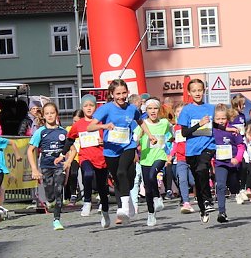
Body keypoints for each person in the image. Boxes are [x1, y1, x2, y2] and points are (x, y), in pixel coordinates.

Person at [88, 79, 150, 226]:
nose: (121, 96)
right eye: (118, 94)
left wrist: (150, 135)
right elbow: (90, 127)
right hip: (110, 150)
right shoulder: (106, 109)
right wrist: (105, 125)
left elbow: (140, 121)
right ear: (112, 94)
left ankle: (125, 208)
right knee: (118, 179)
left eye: (124, 93)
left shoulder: (132, 108)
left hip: (128, 146)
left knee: (122, 172)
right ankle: (128, 206)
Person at [63, 94, 110, 227]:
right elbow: (70, 139)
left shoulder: (101, 122)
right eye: (86, 106)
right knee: (87, 174)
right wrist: (62, 154)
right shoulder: (78, 124)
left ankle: (105, 213)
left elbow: (111, 136)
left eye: (91, 105)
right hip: (85, 156)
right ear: (82, 108)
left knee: (102, 188)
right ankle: (87, 202)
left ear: (96, 106)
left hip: (101, 158)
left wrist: (104, 141)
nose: (89, 108)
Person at [177, 79, 216, 223]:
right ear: (189, 93)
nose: (197, 93)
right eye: (194, 91)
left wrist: (228, 129)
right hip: (192, 151)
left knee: (202, 169)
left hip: (208, 146)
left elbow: (217, 125)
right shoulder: (187, 110)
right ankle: (202, 207)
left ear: (204, 90)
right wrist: (199, 124)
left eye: (200, 90)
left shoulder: (211, 108)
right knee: (198, 182)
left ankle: (208, 201)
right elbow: (184, 133)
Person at [27, 103, 68, 231]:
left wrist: (68, 162)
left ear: (56, 114)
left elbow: (72, 149)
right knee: (50, 193)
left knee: (58, 190)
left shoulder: (63, 131)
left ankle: (57, 220)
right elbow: (30, 150)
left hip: (59, 166)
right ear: (44, 116)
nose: (50, 116)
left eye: (52, 113)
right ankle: (50, 200)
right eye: (47, 113)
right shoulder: (41, 131)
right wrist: (34, 169)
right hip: (46, 165)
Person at [136, 98, 173, 226]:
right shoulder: (142, 124)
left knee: (153, 175)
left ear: (159, 110)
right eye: (150, 108)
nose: (153, 111)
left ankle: (158, 197)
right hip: (145, 159)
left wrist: (172, 139)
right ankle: (151, 214)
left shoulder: (164, 123)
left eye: (155, 108)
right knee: (148, 188)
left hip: (160, 156)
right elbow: (135, 139)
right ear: (146, 110)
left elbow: (172, 131)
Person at [212, 103, 245, 223]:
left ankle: (238, 191)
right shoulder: (212, 130)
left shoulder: (233, 130)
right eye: (218, 119)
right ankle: (221, 212)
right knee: (220, 185)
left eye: (223, 118)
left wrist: (238, 158)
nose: (221, 121)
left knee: (234, 186)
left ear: (228, 118)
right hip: (220, 163)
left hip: (233, 163)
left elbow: (241, 146)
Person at [170, 102, 196, 214]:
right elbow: (176, 143)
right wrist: (171, 155)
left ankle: (202, 197)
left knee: (194, 181)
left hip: (192, 157)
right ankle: (186, 202)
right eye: (178, 112)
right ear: (175, 114)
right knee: (182, 179)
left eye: (182, 112)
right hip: (180, 158)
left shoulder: (190, 126)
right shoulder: (175, 128)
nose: (180, 114)